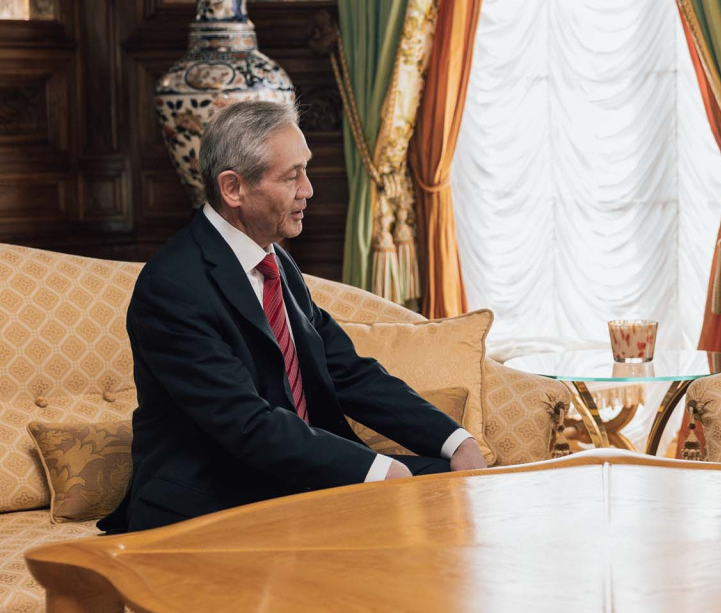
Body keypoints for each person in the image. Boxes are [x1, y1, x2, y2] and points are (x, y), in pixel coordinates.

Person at [100, 100, 486, 534]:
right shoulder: (172, 286)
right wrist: (379, 471)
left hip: (290, 476)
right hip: (212, 500)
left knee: (466, 492)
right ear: (233, 189)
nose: (308, 189)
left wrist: (454, 440)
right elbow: (247, 424)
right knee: (409, 511)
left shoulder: (275, 262)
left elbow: (349, 373)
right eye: (291, 176)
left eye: (306, 169)